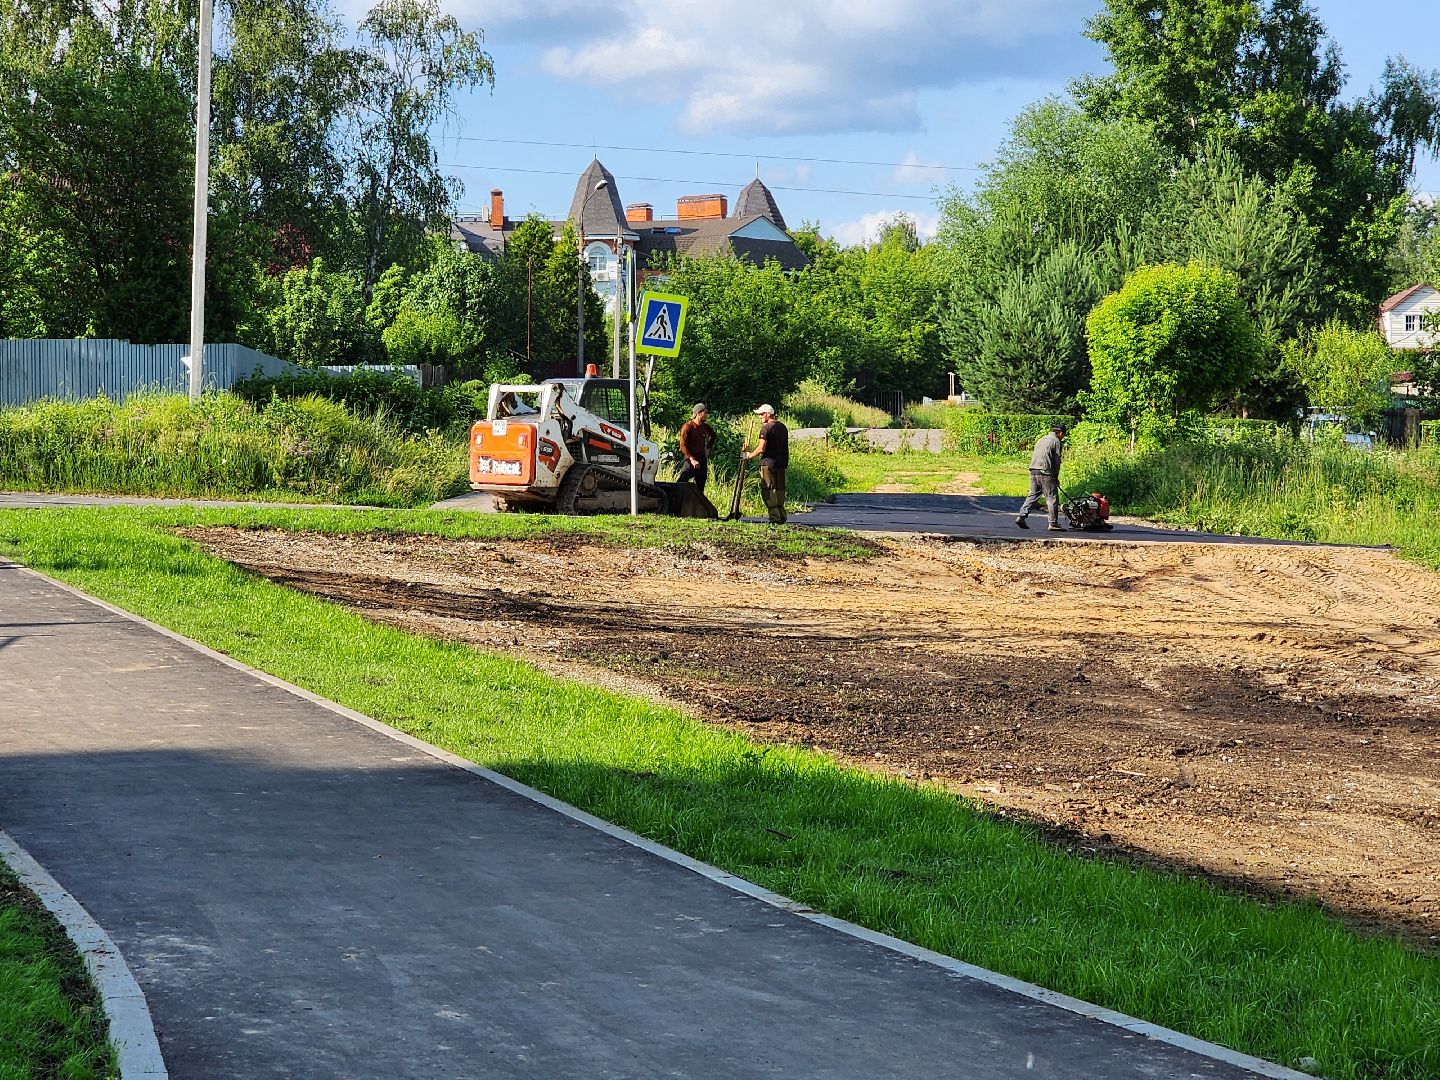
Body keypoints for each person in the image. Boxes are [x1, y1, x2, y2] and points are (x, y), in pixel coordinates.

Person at [1016, 423, 1068, 531]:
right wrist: (1055, 477)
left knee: (1032, 495)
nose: (1063, 437)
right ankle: (1053, 523)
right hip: (1046, 472)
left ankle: (1021, 516)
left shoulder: (1041, 439)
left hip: (1034, 470)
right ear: (1060, 433)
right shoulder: (1056, 442)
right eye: (1064, 435)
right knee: (1052, 498)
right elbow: (1057, 461)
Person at [743, 404, 788, 524]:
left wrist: (749, 455)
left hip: (768, 464)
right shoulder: (783, 427)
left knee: (768, 490)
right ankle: (782, 516)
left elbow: (761, 448)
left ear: (769, 414)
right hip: (781, 464)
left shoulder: (766, 428)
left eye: (762, 414)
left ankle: (774, 518)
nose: (760, 417)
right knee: (780, 490)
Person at [676, 402, 717, 491]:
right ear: (699, 413)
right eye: (705, 413)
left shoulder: (705, 427)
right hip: (690, 461)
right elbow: (682, 444)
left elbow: (713, 436)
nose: (707, 415)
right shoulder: (688, 427)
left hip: (702, 460)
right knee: (680, 483)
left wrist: (708, 448)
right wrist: (692, 459)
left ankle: (696, 500)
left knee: (700, 488)